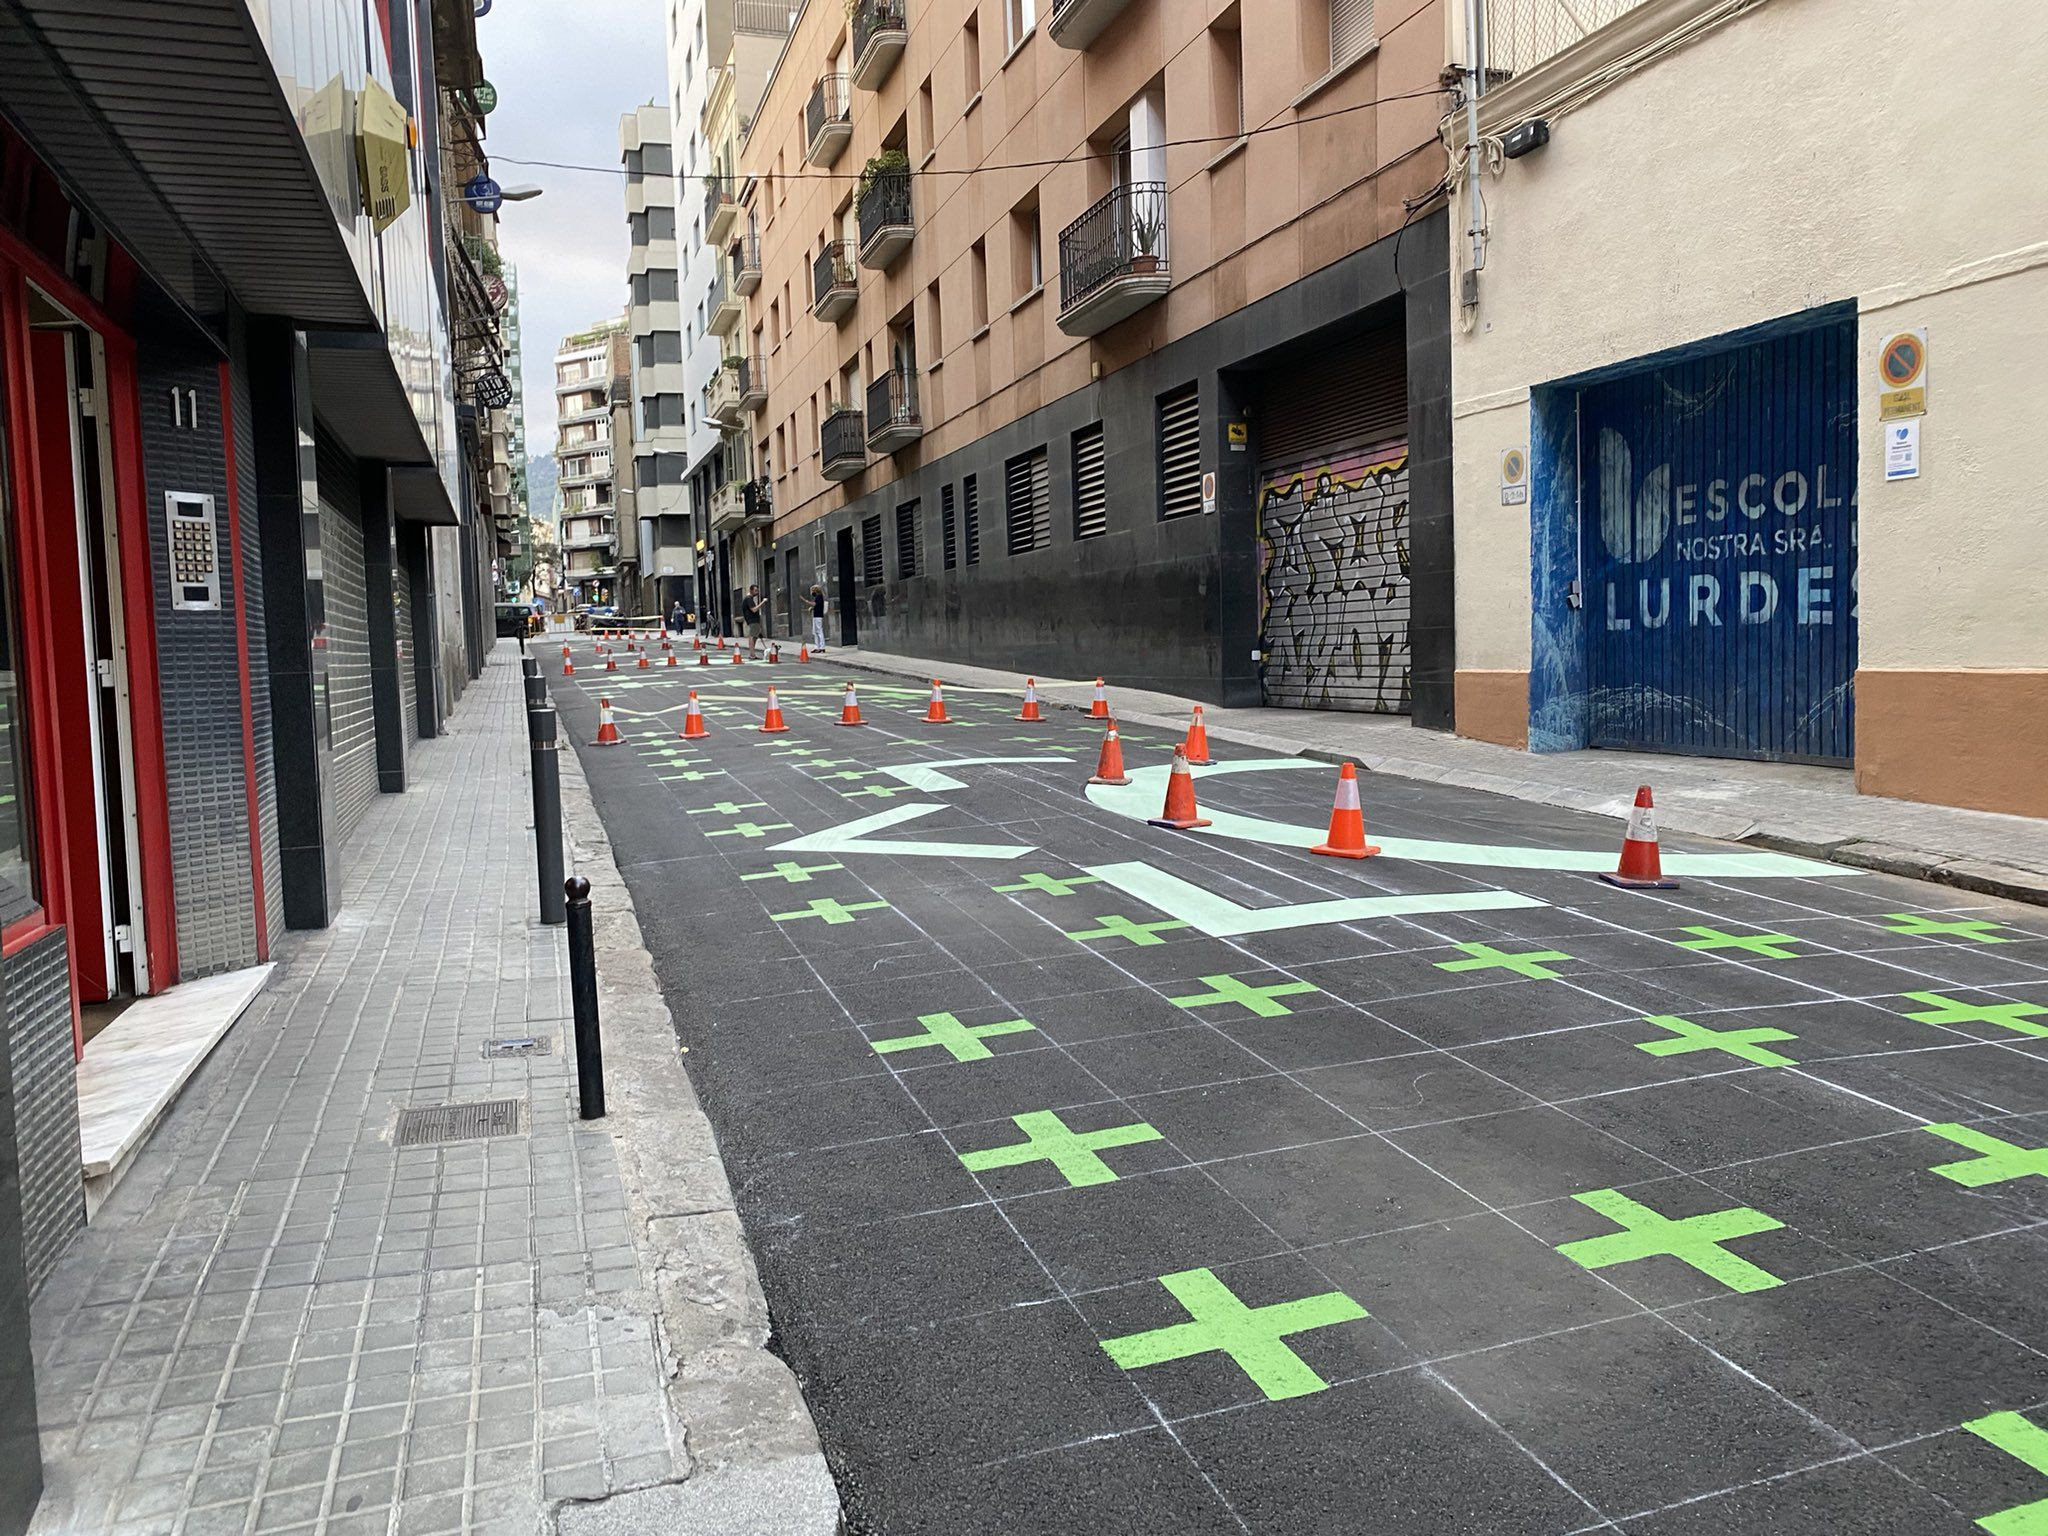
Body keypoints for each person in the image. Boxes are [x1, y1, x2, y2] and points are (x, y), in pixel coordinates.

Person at [741, 583, 766, 659]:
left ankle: (752, 654)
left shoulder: (749, 599)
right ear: (751, 590)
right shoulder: (748, 599)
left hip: (753, 621)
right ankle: (752, 654)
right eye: (755, 590)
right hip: (752, 620)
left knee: (754, 636)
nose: (757, 592)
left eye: (757, 591)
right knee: (752, 637)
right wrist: (763, 602)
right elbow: (754, 610)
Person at [809, 584, 828, 653]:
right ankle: (817, 647)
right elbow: (816, 605)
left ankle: (822, 647)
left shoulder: (819, 597)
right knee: (815, 632)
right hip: (816, 616)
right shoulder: (818, 597)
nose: (811, 592)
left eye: (812, 590)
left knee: (819, 631)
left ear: (815, 590)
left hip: (818, 616)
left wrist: (809, 603)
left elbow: (816, 604)